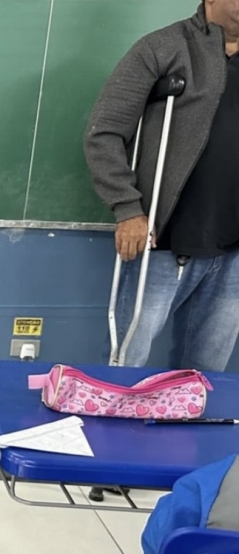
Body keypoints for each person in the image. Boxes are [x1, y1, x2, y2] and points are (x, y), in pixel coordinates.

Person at [84, 0, 239, 373]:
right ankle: (110, 425)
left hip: (233, 248)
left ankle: (186, 431)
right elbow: (103, 134)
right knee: (125, 363)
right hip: (162, 238)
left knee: (203, 376)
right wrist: (127, 208)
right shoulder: (163, 47)